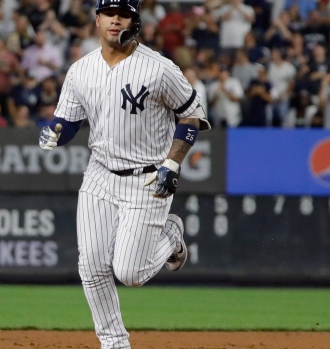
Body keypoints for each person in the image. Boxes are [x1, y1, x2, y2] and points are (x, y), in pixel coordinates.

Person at [38, 0, 210, 348]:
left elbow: (192, 116)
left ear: (135, 21)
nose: (117, 20)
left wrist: (173, 164)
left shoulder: (158, 68)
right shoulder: (81, 70)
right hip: (100, 174)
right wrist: (56, 130)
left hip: (148, 178)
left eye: (125, 15)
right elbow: (70, 122)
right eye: (110, 14)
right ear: (97, 19)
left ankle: (172, 236)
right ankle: (114, 342)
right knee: (92, 266)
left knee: (130, 273)